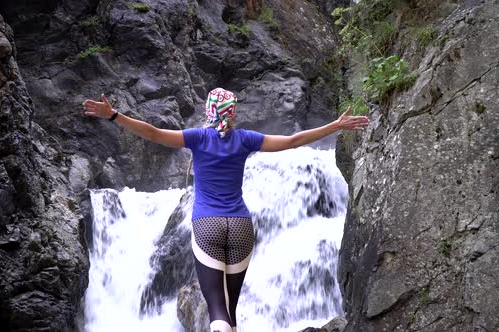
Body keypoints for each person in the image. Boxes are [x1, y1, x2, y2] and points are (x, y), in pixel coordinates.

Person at [82, 88, 369, 332]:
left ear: (209, 111)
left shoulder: (198, 138)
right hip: (242, 226)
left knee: (217, 308)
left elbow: (154, 133)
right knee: (231, 307)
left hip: (207, 224)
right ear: (232, 113)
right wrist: (335, 125)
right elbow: (293, 141)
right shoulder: (245, 139)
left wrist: (114, 115)